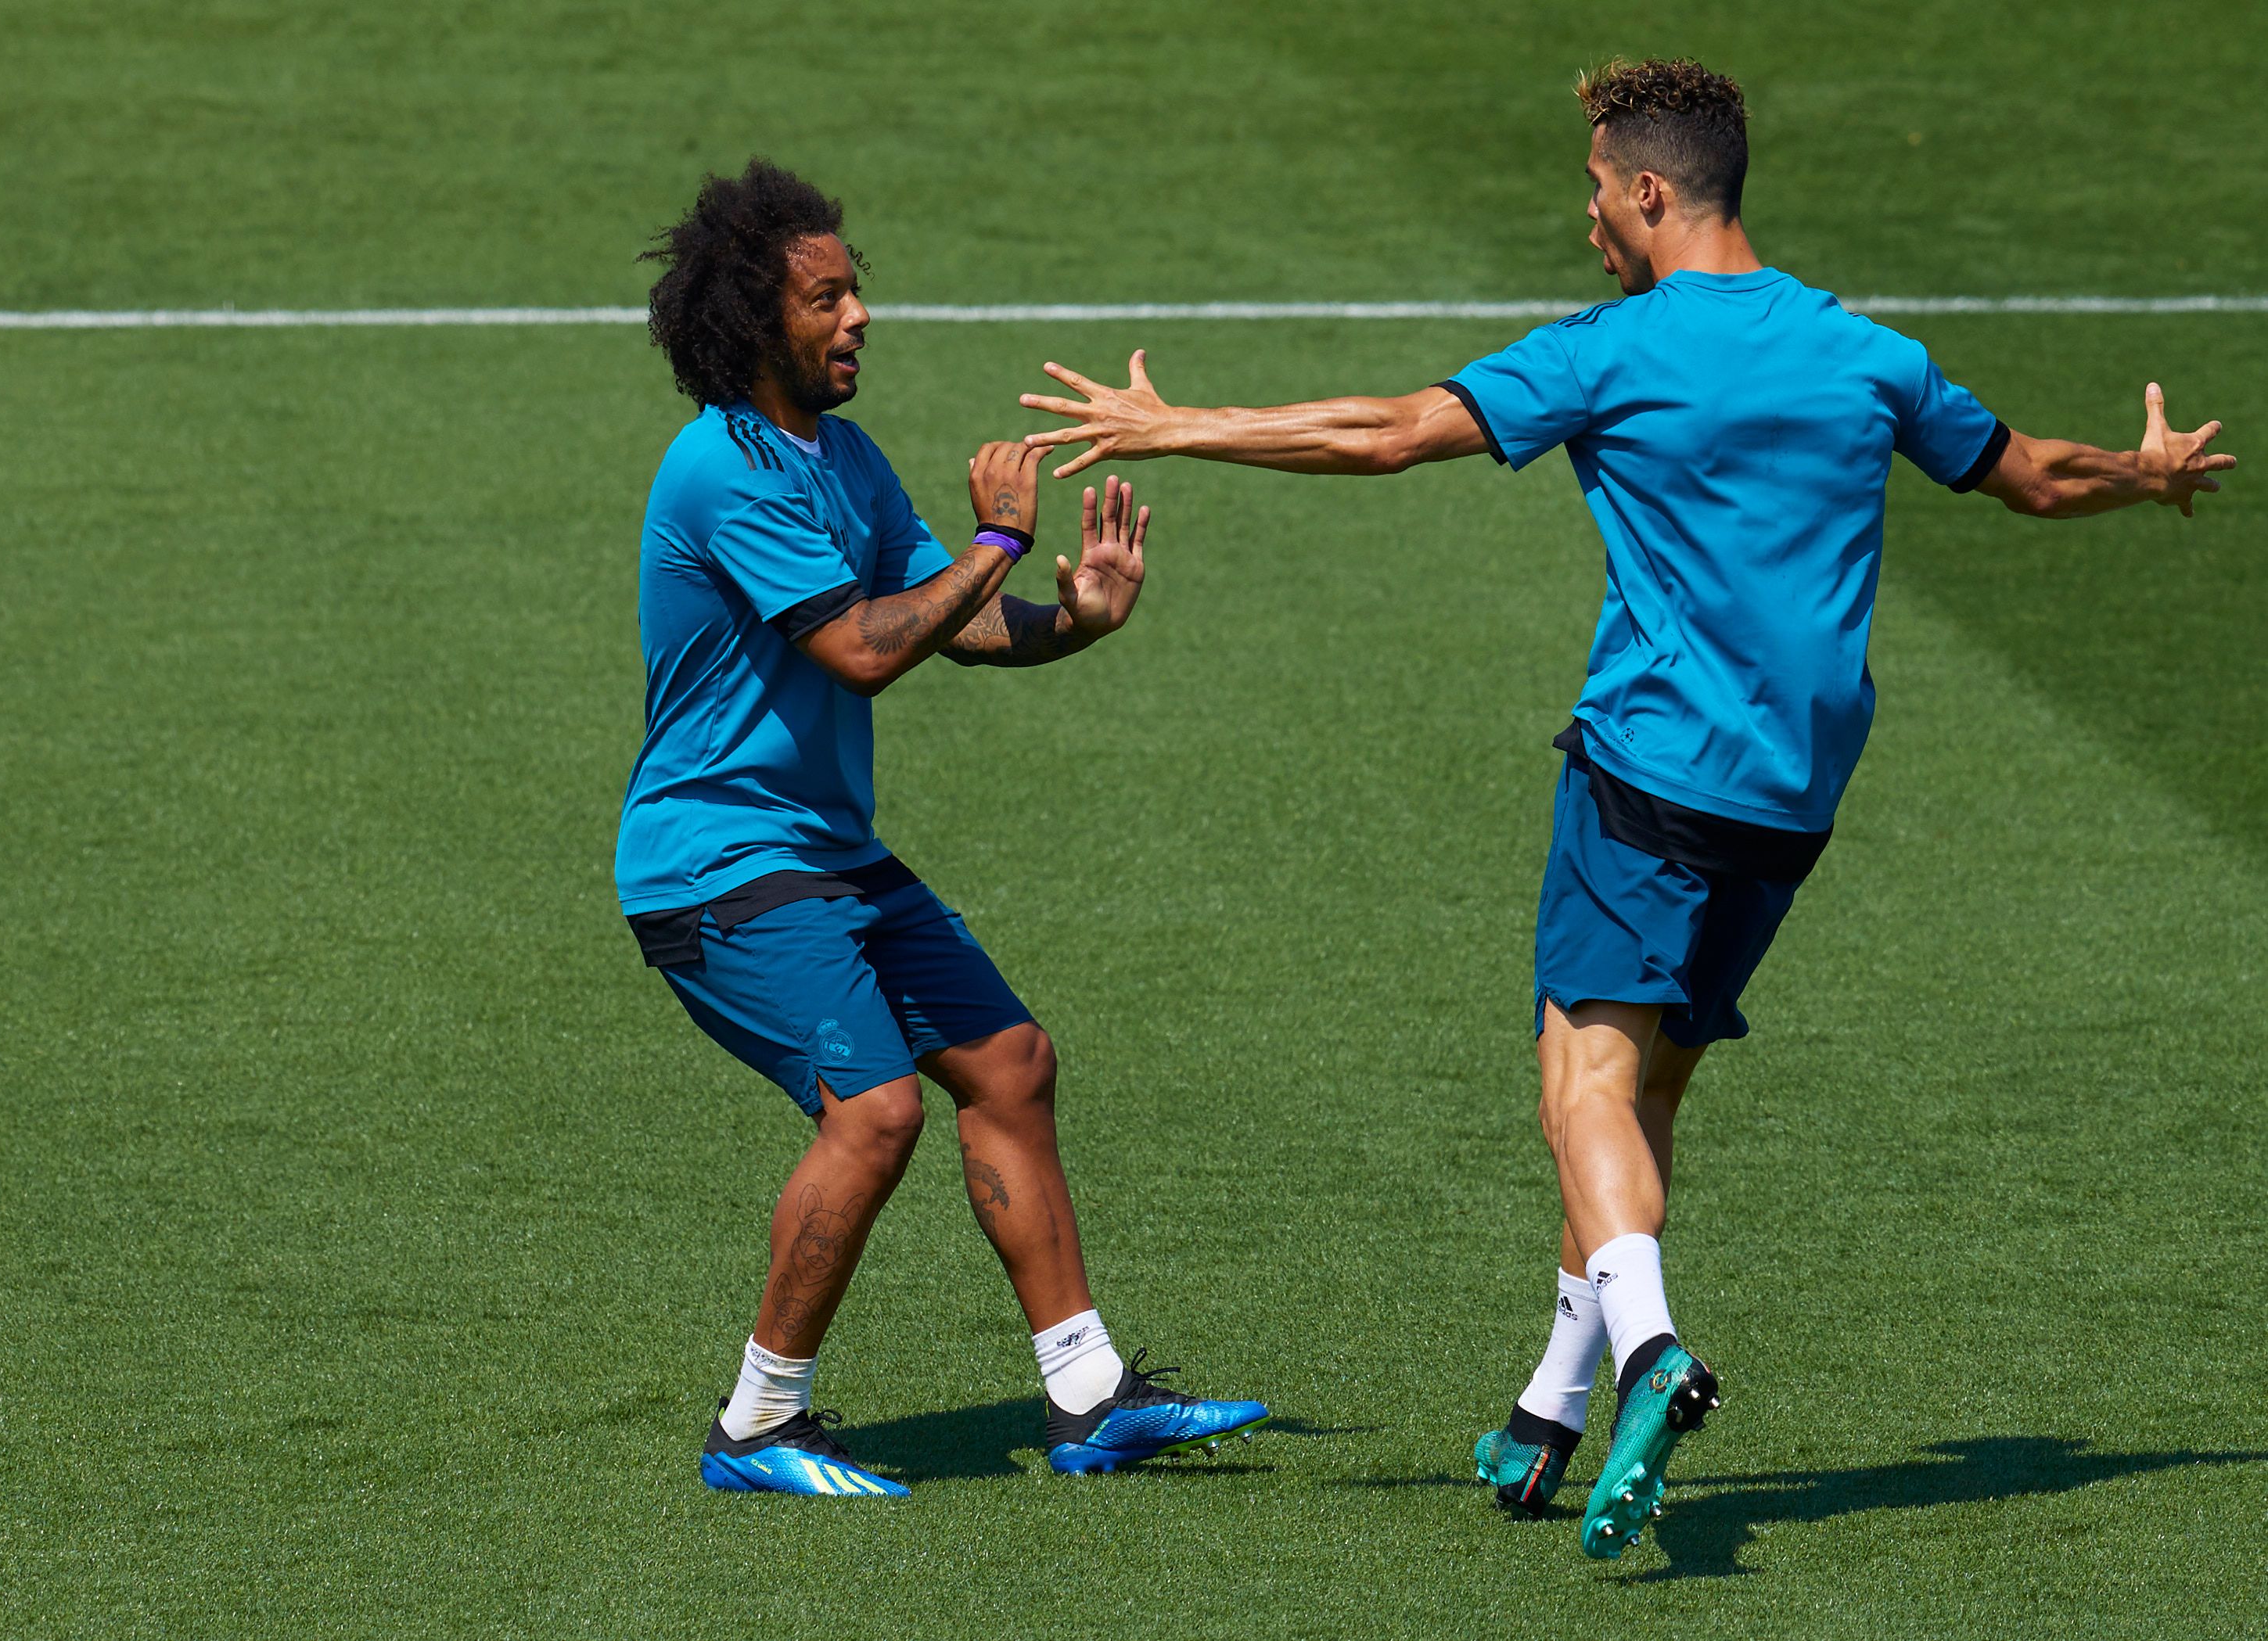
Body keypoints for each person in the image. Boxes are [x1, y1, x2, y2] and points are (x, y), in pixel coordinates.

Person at [1017, 59, 2234, 1558]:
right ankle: (1547, 1410)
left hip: (1650, 772)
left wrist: (1180, 424)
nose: (1588, 215)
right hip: (1794, 797)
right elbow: (2036, 477)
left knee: (1577, 1086)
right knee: (1645, 1097)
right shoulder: (1869, 354)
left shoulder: (1619, 349)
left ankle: (1655, 1355)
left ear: (1652, 194)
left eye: (1598, 189)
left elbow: (1390, 432)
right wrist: (2146, 470)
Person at [618, 160, 1268, 1498]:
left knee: (1012, 1063)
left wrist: (1071, 616)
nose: (859, 316)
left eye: (859, 291)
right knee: (875, 1110)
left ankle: (1089, 1397)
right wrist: (996, 533)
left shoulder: (840, 459)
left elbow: (955, 621)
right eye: (827, 297)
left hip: (822, 852)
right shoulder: (721, 470)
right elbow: (863, 649)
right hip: (716, 861)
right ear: (755, 318)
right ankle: (757, 1425)